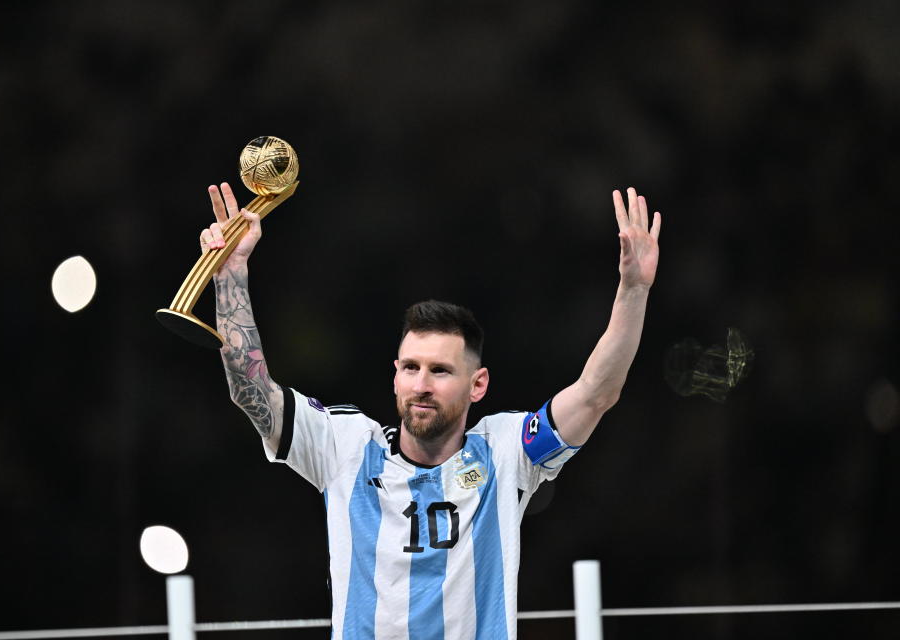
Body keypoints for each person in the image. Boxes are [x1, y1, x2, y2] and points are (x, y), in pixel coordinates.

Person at [199, 182, 661, 640]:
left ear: (477, 385)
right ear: (394, 375)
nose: (421, 385)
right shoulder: (343, 445)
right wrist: (231, 274)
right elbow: (250, 389)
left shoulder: (505, 452)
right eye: (411, 368)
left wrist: (634, 290)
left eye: (440, 371)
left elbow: (596, 392)